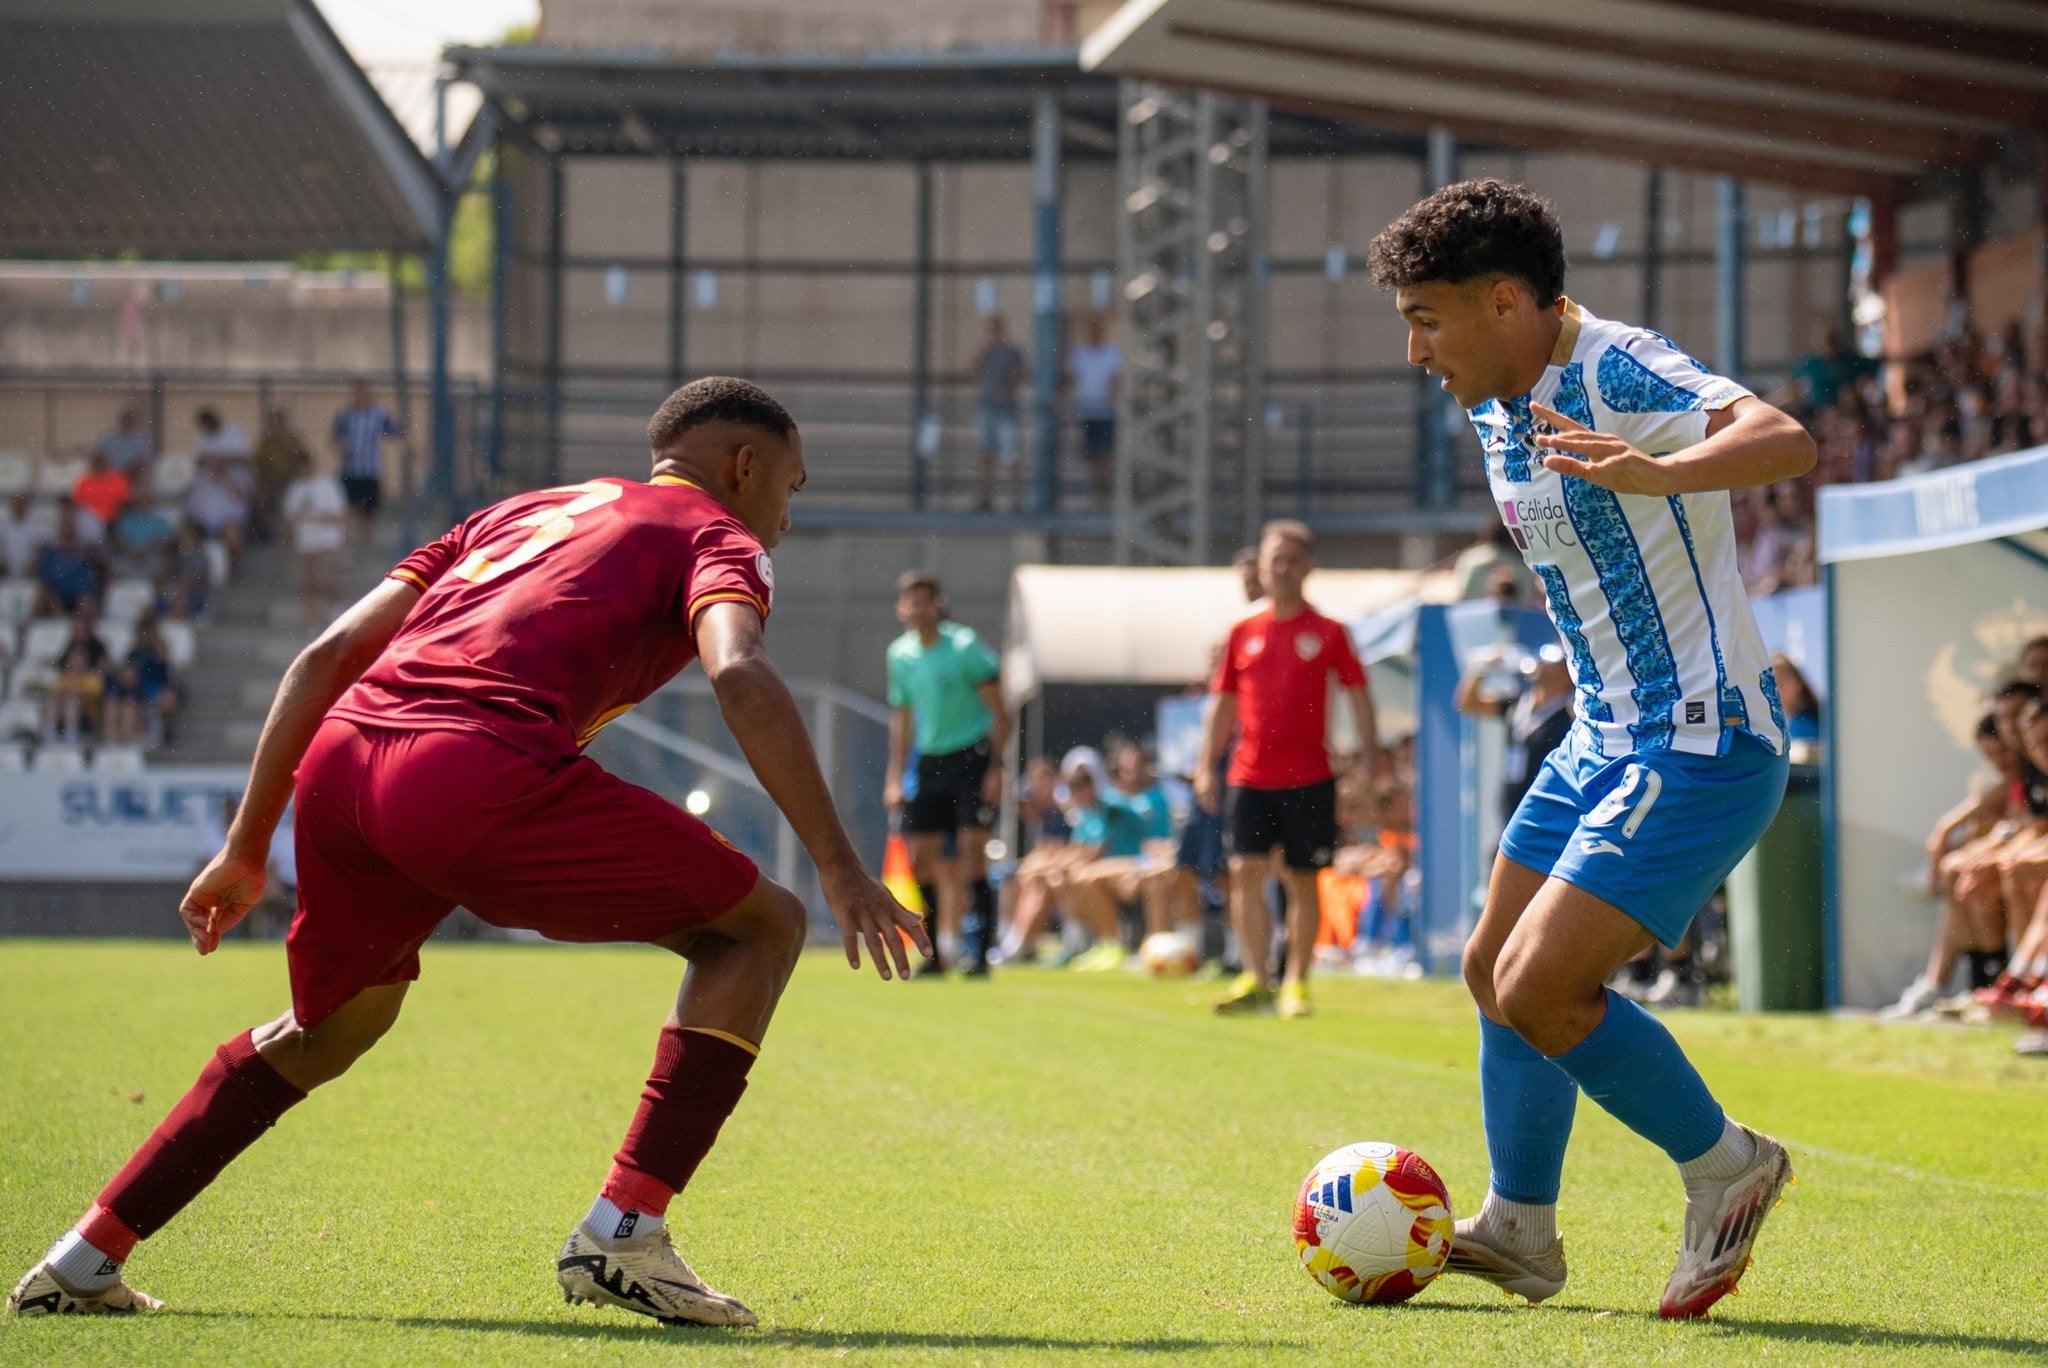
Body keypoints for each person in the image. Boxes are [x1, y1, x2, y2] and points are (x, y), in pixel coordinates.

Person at [7, 376, 926, 1324]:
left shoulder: (520, 510)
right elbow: (738, 668)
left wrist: (249, 844)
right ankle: (625, 1233)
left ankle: (87, 1254)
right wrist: (840, 868)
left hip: (344, 765)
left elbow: (325, 655)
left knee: (332, 1029)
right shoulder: (718, 536)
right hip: (469, 769)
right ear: (745, 467)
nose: (785, 513)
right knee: (763, 926)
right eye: (792, 485)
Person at [1369, 179, 1815, 1319]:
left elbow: (1783, 438)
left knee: (1540, 986)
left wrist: (1661, 471)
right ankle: (1519, 1230)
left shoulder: (1615, 367)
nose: (1413, 349)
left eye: (1426, 318)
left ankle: (1727, 1166)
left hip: (1701, 741)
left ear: (1505, 299)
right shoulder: (1489, 396)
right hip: (1599, 738)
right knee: (1488, 973)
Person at [1198, 521, 1381, 1020]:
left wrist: (1367, 760)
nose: (1281, 569)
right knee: (1243, 872)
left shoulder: (1329, 632)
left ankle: (1296, 982)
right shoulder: (1242, 632)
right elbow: (1222, 704)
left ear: (1308, 567)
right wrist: (1204, 766)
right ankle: (1256, 978)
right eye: (1273, 559)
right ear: (1260, 565)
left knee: (1304, 881)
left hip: (1310, 776)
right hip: (1248, 774)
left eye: (1291, 560)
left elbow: (1359, 697)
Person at [882, 570, 1008, 977]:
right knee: (920, 860)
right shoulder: (900, 654)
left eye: (925, 600)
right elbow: (901, 718)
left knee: (973, 855)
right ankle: (934, 954)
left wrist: (996, 766)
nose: (918, 608)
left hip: (971, 758)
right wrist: (895, 775)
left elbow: (999, 709)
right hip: (931, 761)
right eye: (910, 601)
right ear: (902, 608)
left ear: (938, 604)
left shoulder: (964, 645)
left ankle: (980, 954)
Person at [282, 451, 348, 629]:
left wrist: (317, 517)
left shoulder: (328, 485)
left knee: (324, 579)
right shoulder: (296, 488)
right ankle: (313, 625)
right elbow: (290, 517)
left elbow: (339, 515)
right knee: (306, 586)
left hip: (326, 542)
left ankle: (336, 608)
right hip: (304, 544)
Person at [331, 381, 400, 550]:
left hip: (370, 471)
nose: (356, 397)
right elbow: (334, 438)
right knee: (348, 509)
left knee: (370, 512)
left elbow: (395, 433)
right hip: (350, 470)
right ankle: (347, 547)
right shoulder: (345, 415)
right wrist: (341, 447)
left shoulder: (378, 415)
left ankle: (368, 546)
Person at [1064, 315, 1121, 506]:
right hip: (1088, 410)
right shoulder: (1080, 353)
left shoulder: (1110, 353)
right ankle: (1100, 489)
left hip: (1105, 411)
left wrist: (1112, 397)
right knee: (1093, 454)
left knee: (1105, 452)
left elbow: (1114, 378)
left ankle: (1105, 490)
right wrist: (1063, 398)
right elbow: (1072, 377)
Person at [970, 317, 1026, 513]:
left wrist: (1009, 392)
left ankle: (1016, 499)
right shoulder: (985, 351)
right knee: (987, 453)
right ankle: (986, 497)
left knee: (1011, 454)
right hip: (987, 407)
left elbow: (1019, 375)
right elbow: (973, 366)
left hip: (1005, 409)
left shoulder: (1011, 352)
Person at [251, 407, 310, 544]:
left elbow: (303, 458)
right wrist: (264, 482)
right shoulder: (265, 442)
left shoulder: (293, 438)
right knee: (260, 499)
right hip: (270, 482)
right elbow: (258, 466)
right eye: (273, 422)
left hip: (292, 481)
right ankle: (265, 536)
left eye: (279, 422)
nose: (276, 425)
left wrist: (290, 442)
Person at [90, 403, 153, 480]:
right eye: (125, 418)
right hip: (109, 476)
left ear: (134, 420)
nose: (127, 421)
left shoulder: (141, 439)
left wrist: (129, 474)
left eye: (130, 418)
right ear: (120, 419)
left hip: (132, 478)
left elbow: (144, 462)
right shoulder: (108, 437)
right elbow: (96, 455)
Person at [71, 453, 131, 529]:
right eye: (97, 463)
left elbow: (125, 500)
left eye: (102, 463)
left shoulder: (118, 479)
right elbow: (78, 503)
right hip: (92, 520)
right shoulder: (84, 483)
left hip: (116, 519)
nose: (100, 466)